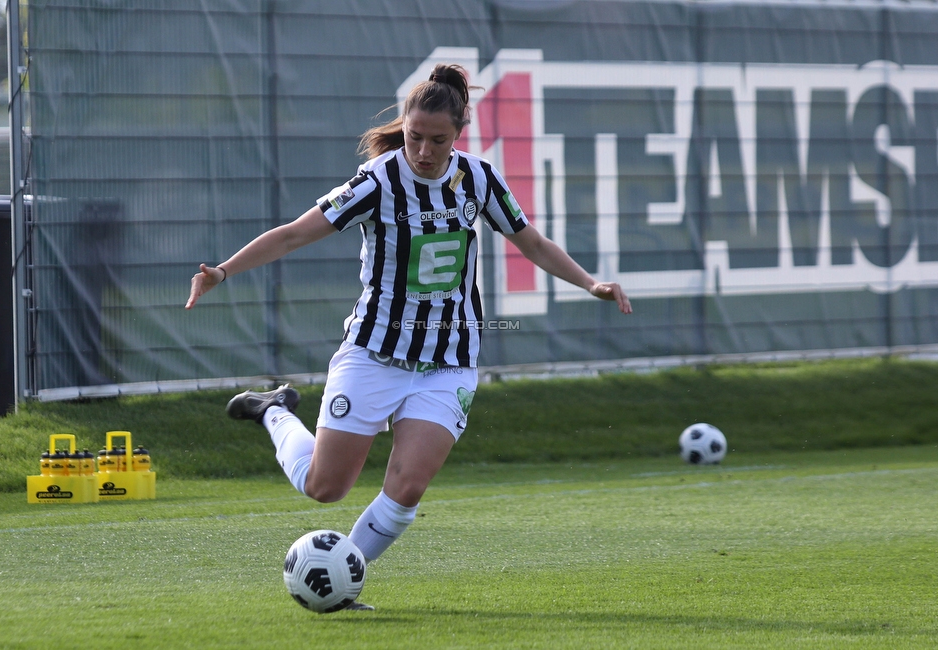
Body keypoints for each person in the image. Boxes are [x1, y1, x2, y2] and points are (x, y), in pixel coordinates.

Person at [185, 63, 632, 610]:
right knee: (325, 488)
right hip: (374, 353)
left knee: (408, 486)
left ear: (459, 132)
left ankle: (337, 579)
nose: (422, 149)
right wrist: (223, 271)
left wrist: (590, 283)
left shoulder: (480, 178)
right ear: (404, 126)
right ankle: (275, 410)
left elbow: (531, 242)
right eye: (415, 136)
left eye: (437, 140)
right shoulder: (377, 180)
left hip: (449, 360)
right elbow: (294, 234)